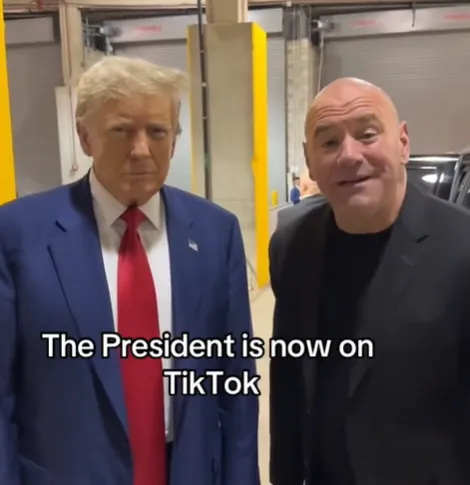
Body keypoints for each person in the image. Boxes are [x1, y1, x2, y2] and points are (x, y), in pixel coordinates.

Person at [0, 56, 260, 485]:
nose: (141, 150)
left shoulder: (216, 234)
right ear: (85, 136)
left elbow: (236, 387)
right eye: (121, 130)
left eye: (157, 131)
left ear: (174, 140)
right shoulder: (17, 235)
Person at [269, 77, 470, 485]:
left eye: (367, 134)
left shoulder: (461, 247)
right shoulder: (292, 245)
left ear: (403, 143)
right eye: (329, 142)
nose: (349, 155)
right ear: (309, 161)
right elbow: (288, 374)